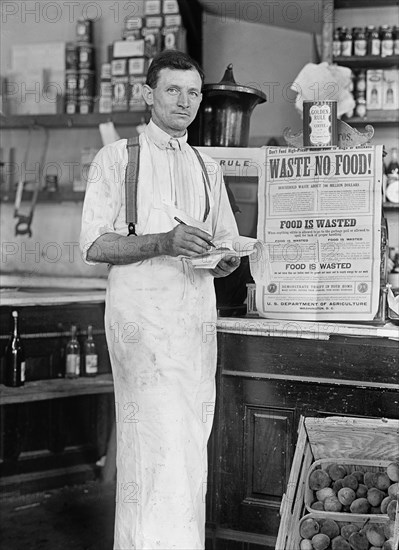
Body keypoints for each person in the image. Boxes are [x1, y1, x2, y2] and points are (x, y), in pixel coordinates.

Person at [79, 50, 240, 549]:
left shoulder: (207, 167)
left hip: (194, 327)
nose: (186, 102)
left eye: (194, 92)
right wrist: (164, 242)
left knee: (190, 444)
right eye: (174, 90)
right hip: (141, 327)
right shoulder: (117, 159)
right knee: (154, 442)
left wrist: (226, 259)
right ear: (149, 94)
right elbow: (95, 244)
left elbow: (226, 241)